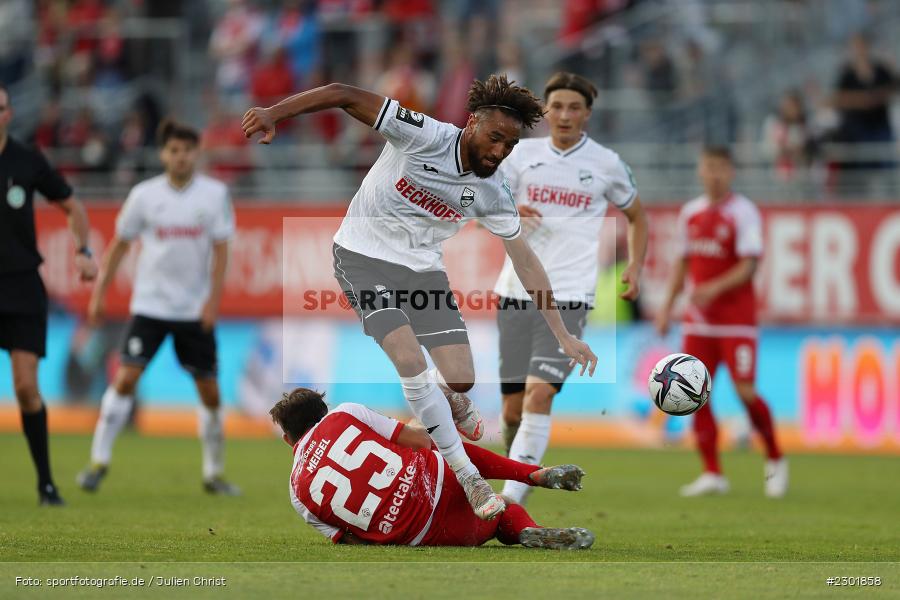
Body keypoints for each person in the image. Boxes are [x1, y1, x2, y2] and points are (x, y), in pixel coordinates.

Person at [242, 74, 598, 521]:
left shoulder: (493, 189)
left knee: (461, 378)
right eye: (494, 138)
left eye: (509, 145)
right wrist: (274, 113)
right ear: (472, 122)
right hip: (362, 257)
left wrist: (562, 333)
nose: (499, 152)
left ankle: (447, 397)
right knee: (409, 360)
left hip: (421, 272)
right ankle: (469, 478)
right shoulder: (423, 134)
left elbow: (525, 260)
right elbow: (342, 93)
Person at [493, 72, 648, 506]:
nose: (564, 115)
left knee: (540, 394)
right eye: (557, 106)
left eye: (573, 108)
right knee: (511, 410)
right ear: (545, 111)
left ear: (587, 114)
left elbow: (638, 216)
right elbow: (482, 202)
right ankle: (517, 471)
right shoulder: (520, 155)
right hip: (516, 291)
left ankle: (511, 499)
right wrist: (508, 212)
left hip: (571, 297)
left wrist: (635, 265)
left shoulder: (606, 163)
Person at [76, 119, 239, 495]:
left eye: (187, 151)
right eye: (174, 150)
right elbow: (119, 245)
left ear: (197, 153)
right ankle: (98, 462)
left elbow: (221, 251)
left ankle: (213, 473)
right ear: (163, 154)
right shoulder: (144, 196)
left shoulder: (214, 195)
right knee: (125, 379)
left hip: (193, 310)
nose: (181, 157)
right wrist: (99, 294)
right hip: (150, 306)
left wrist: (212, 303)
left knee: (210, 392)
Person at [271, 387, 595, 549]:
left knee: (498, 516)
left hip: (426, 534)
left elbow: (351, 539)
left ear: (288, 439)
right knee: (446, 449)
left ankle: (523, 533)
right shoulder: (345, 413)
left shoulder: (296, 494)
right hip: (439, 481)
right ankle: (530, 474)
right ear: (324, 409)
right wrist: (437, 416)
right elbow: (419, 440)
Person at [655, 147, 787, 498]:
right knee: (696, 394)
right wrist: (666, 307)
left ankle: (775, 457)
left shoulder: (743, 212)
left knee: (745, 393)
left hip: (736, 320)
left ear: (731, 172)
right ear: (700, 171)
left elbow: (749, 265)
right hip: (698, 322)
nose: (714, 174)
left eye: (720, 168)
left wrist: (714, 288)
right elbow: (683, 263)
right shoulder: (691, 213)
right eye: (709, 167)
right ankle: (712, 472)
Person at [0, 85, 98, 506]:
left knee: (26, 388)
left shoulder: (27, 160)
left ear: (9, 113)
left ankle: (45, 483)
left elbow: (73, 206)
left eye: (0, 107)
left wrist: (83, 251)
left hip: (21, 285)